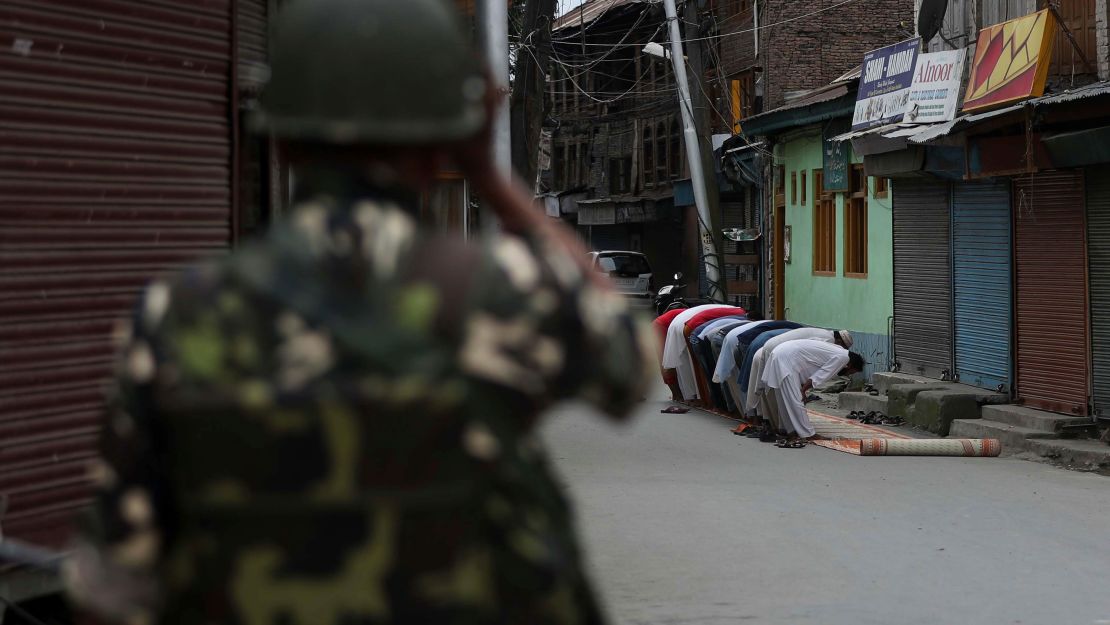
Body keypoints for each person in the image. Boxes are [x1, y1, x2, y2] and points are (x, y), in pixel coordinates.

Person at [63, 1, 656, 623]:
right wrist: (489, 176)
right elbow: (627, 365)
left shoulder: (177, 315)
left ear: (284, 139)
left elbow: (111, 581)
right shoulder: (496, 293)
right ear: (441, 142)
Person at [761, 340, 864, 446]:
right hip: (787, 357)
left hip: (782, 353)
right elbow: (820, 375)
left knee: (786, 398)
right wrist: (802, 391)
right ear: (850, 365)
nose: (849, 374)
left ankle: (788, 430)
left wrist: (803, 388)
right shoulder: (843, 358)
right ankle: (808, 433)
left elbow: (810, 367)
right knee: (796, 399)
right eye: (852, 372)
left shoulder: (840, 352)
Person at [743, 328, 853, 418]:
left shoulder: (823, 332)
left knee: (761, 388)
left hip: (768, 348)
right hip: (776, 352)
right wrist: (803, 389)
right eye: (842, 347)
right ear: (839, 342)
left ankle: (759, 419)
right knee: (776, 392)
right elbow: (809, 362)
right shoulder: (828, 341)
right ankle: (775, 423)